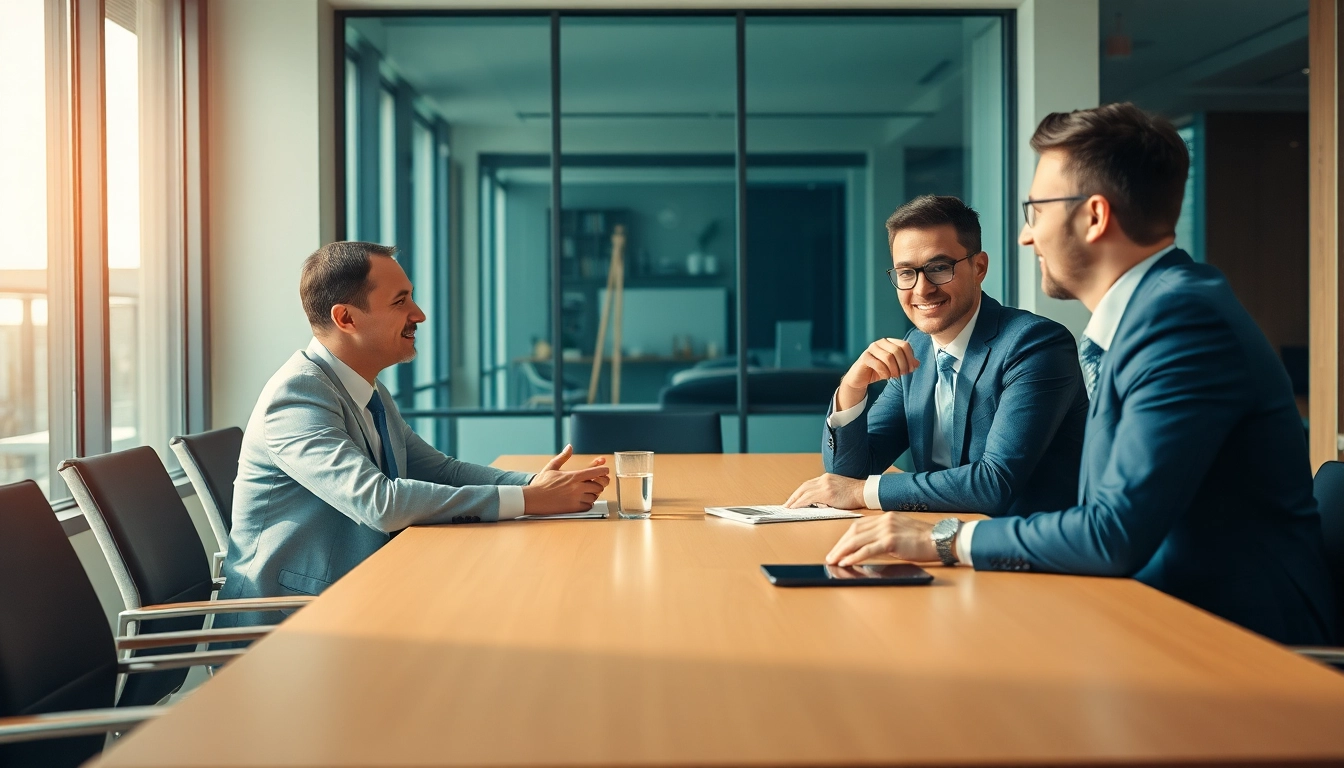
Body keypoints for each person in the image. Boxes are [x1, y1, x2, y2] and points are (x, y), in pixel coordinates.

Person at [826, 104, 1335, 645]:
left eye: (1036, 211)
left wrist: (943, 539)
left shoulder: (1181, 323)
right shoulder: (1155, 311)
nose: (1027, 237)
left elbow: (1112, 530)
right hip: (1146, 605)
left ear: (1094, 216)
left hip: (1235, 637)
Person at [216, 242, 608, 627]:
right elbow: (379, 503)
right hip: (286, 628)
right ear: (346, 318)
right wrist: (528, 498)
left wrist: (537, 485)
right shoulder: (296, 397)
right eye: (400, 301)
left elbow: (440, 470)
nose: (418, 315)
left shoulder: (366, 389)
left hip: (357, 600)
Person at [786, 195, 1087, 518]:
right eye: (906, 273)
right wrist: (852, 388)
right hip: (935, 534)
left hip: (1020, 548)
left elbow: (994, 484)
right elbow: (848, 472)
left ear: (979, 267)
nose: (922, 289)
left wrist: (862, 492)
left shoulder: (1034, 344)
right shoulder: (916, 347)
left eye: (939, 268)